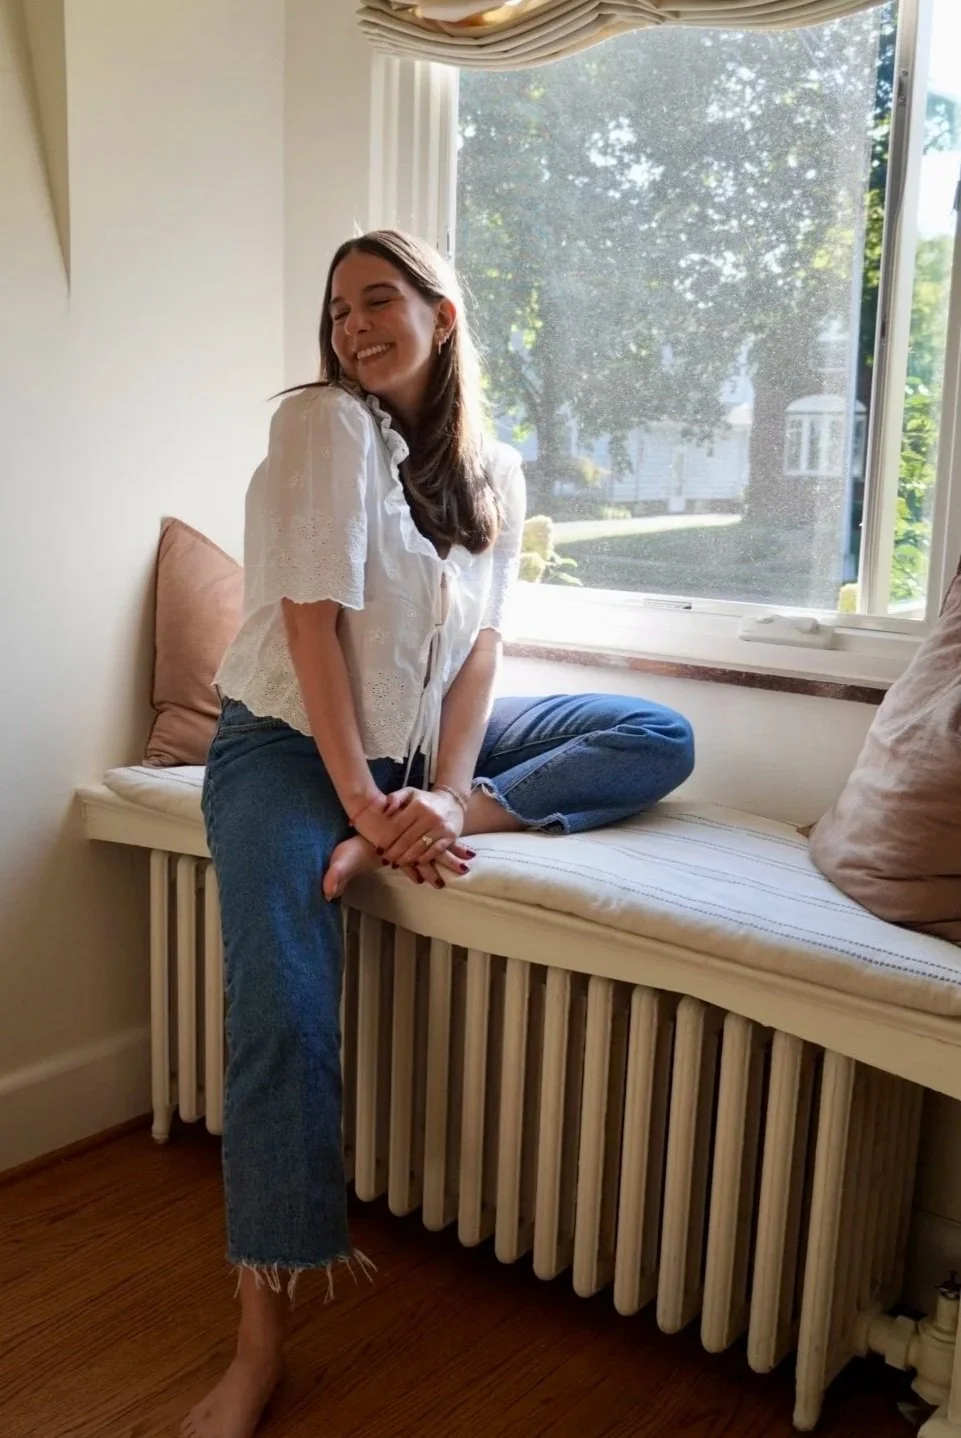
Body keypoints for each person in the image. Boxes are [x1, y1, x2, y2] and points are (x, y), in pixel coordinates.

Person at [182, 228, 695, 1438]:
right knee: (283, 1014)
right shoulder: (320, 425)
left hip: (416, 755)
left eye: (378, 301)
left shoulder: (492, 474)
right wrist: (362, 805)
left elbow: (479, 657)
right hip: (285, 744)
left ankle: (429, 820)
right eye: (337, 309)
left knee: (651, 730)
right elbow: (309, 623)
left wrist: (447, 803)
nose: (353, 327)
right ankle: (258, 1343)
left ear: (442, 314)